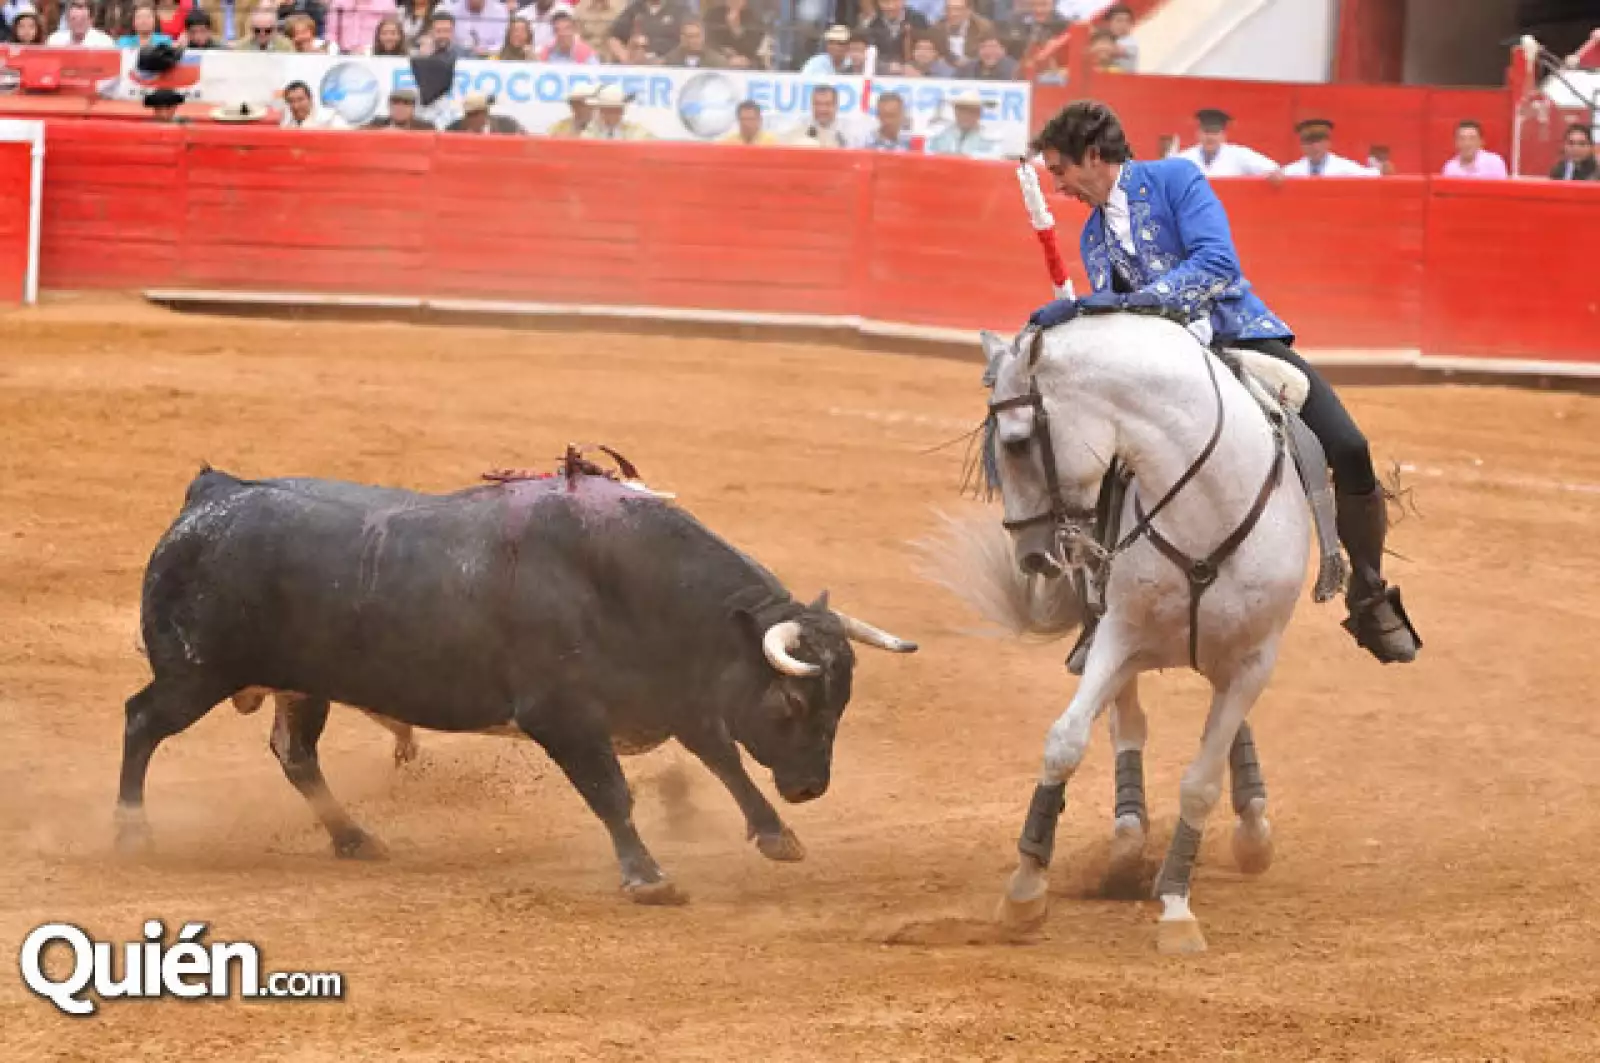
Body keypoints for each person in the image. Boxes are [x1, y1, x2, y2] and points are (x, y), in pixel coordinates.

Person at [1024, 99, 1421, 666]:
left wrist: (1128, 301)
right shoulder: (1093, 235)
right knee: (1103, 467)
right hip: (1165, 366)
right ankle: (1099, 609)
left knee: (1349, 446)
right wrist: (1085, 317)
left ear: (1092, 156)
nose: (1058, 186)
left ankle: (1368, 589)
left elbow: (1217, 263)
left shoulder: (1175, 179)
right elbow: (1119, 320)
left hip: (1239, 335)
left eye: (1060, 170)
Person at [1179, 108, 1281, 179]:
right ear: (1198, 134)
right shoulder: (1184, 158)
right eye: (1206, 132)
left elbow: (1273, 169)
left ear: (1223, 135)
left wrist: (1273, 174)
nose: (1210, 138)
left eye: (1215, 133)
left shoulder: (1239, 154)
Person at [1284, 118, 1378, 177]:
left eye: (1319, 141)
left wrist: (1379, 168)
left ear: (1328, 143)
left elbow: (1371, 176)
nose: (1315, 147)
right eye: (1309, 142)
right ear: (1302, 146)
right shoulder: (1292, 171)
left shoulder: (1344, 167)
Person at [925, 89, 999, 158]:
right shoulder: (940, 134)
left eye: (970, 111)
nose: (965, 115)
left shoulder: (989, 139)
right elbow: (928, 154)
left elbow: (992, 159)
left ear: (978, 114)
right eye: (961, 111)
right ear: (955, 112)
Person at [1440, 119, 1507, 179]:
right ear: (1456, 142)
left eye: (1472, 138)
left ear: (1481, 142)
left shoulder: (1494, 163)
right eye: (1462, 139)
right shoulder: (1450, 168)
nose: (1467, 143)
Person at [48, 0, 116, 46]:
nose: (78, 23)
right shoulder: (55, 41)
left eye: (82, 19)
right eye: (74, 19)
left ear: (91, 20)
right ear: (67, 19)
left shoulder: (104, 43)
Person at [365, 86, 434, 128]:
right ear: (389, 106)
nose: (400, 108)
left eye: (406, 103)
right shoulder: (376, 125)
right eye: (395, 103)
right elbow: (360, 138)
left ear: (413, 108)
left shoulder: (425, 128)